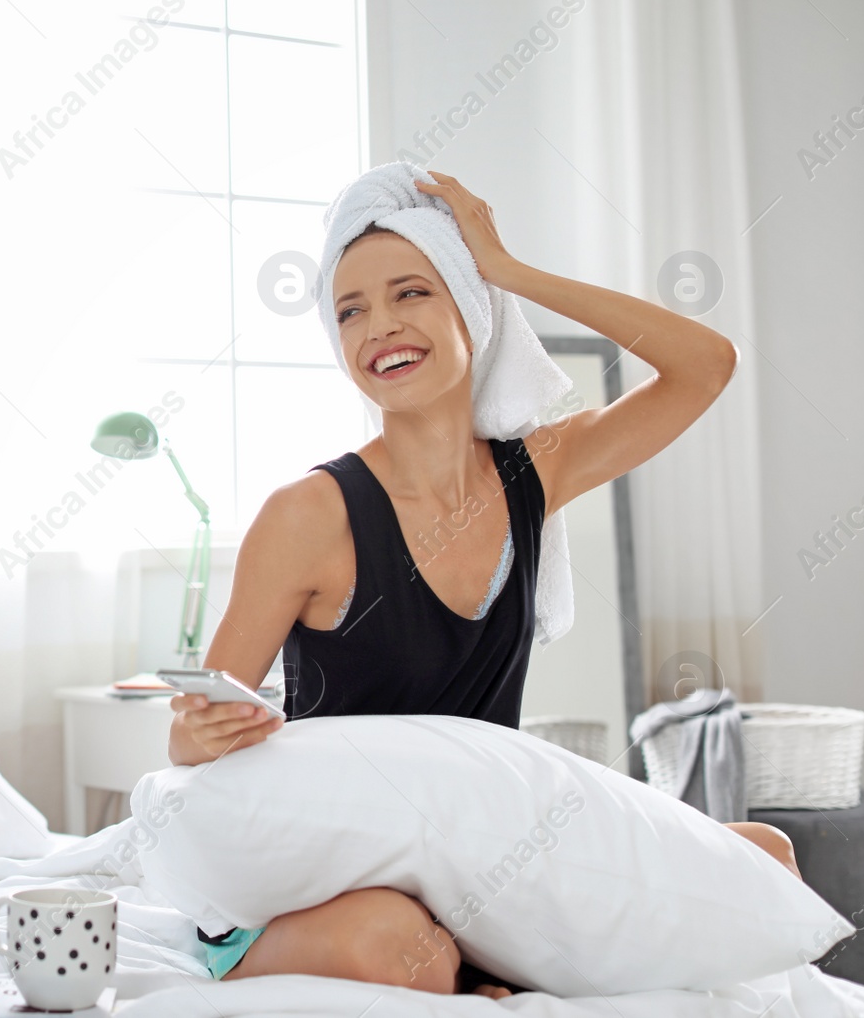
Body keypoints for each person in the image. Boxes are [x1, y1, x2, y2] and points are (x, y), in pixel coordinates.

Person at [167, 170, 800, 999]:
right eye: (350, 309)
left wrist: (513, 269)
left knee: (767, 860)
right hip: (340, 876)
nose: (379, 326)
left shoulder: (536, 472)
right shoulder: (311, 514)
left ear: (472, 303)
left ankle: (485, 955)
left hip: (483, 863)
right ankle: (262, 953)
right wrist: (201, 730)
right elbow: (188, 744)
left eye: (411, 292)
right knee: (409, 952)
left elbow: (706, 365)